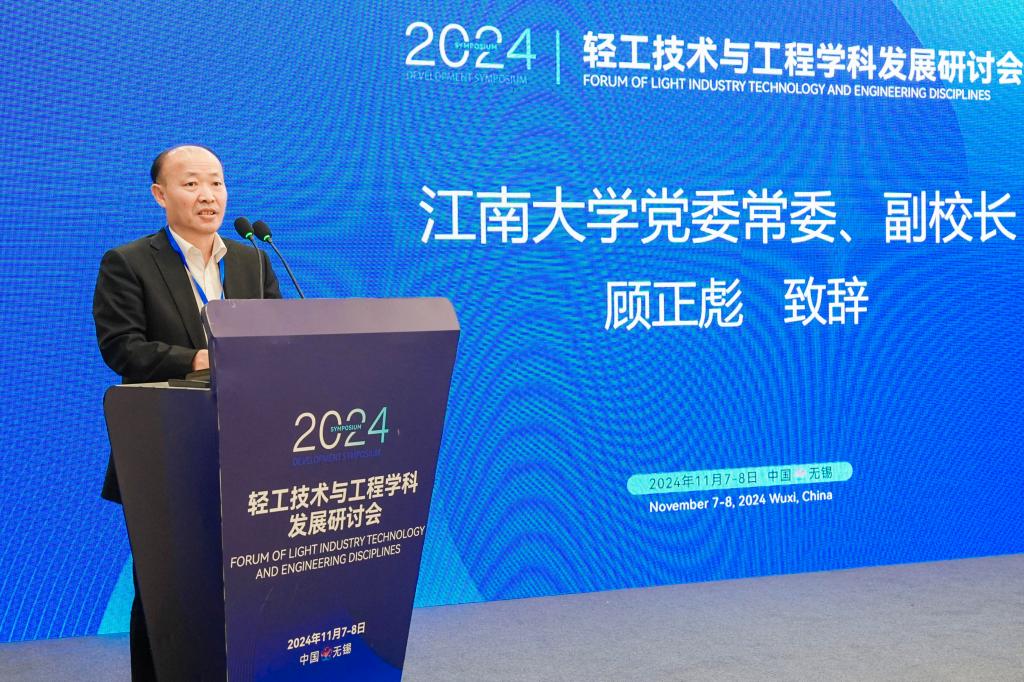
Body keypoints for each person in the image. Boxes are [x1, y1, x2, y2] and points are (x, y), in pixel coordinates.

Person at [92, 144, 281, 680]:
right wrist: (202, 357)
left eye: (216, 183)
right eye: (192, 183)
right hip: (165, 452)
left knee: (246, 585)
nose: (208, 196)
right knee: (166, 593)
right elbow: (122, 347)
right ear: (160, 194)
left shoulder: (252, 259)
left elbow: (277, 338)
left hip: (247, 451)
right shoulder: (129, 262)